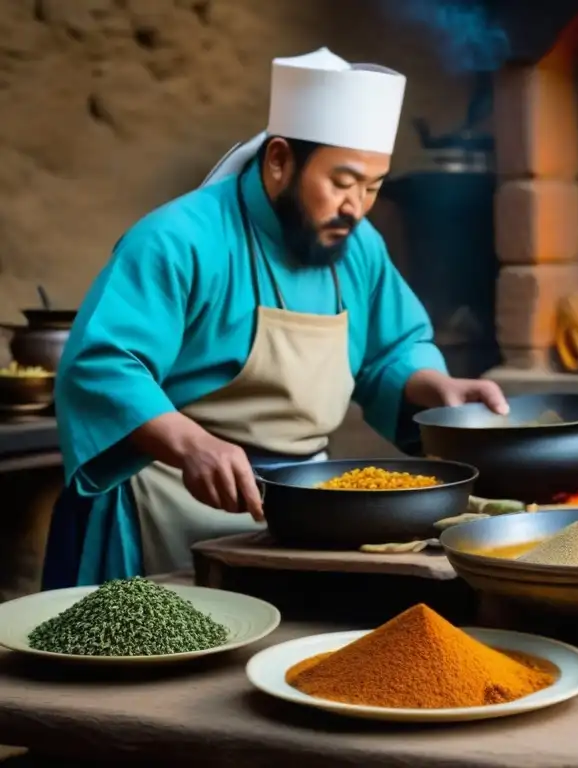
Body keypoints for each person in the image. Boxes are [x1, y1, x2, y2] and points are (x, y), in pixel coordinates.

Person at [42, 48, 508, 588]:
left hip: (303, 511)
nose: (356, 206)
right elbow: (101, 364)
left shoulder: (360, 247)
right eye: (342, 182)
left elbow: (390, 350)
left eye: (373, 187)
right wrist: (193, 444)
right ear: (280, 160)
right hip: (171, 501)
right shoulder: (178, 239)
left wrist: (435, 386)